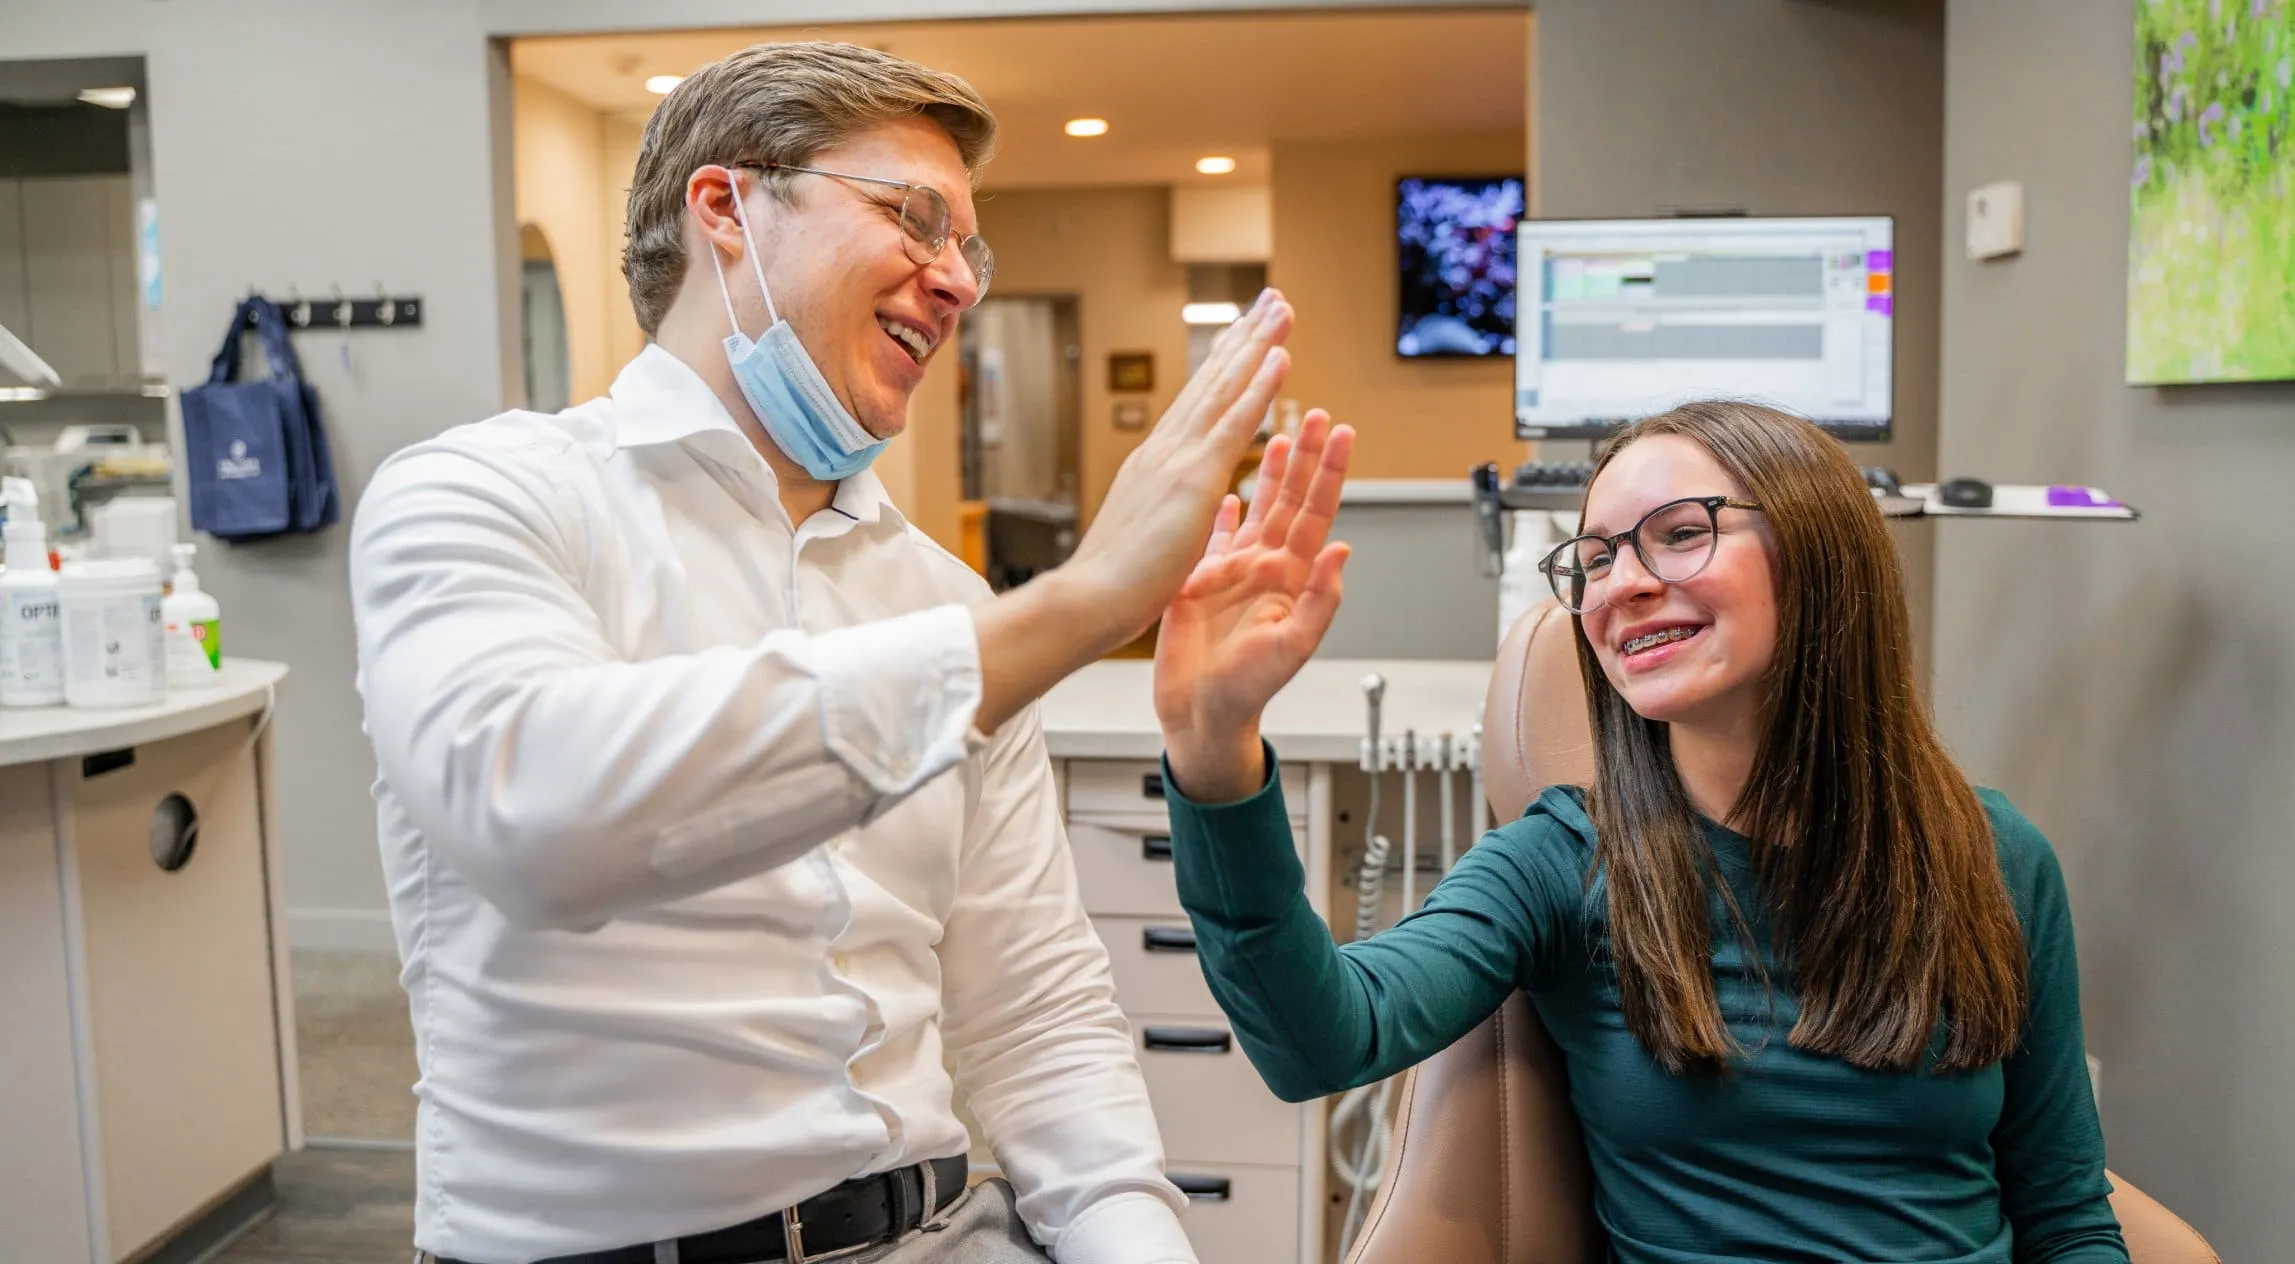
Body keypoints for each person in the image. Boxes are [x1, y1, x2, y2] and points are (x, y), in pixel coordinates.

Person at [350, 41, 1306, 1264]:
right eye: (917, 219)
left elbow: (1036, 1017)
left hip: (948, 1232)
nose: (957, 282)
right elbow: (539, 817)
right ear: (727, 208)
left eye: (972, 249)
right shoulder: (484, 496)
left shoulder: (943, 597)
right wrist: (1078, 606)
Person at [1151, 401, 2130, 1263]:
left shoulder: (1995, 857)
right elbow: (1321, 1041)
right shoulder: (1566, 860)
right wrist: (1215, 749)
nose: (1621, 583)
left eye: (1677, 532)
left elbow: (2065, 1216)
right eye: (1596, 556)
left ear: (1822, 553)